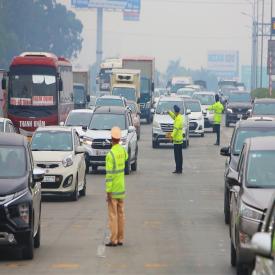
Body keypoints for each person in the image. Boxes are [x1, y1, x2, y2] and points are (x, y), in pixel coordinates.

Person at [105, 127, 128, 247]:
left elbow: (109, 175)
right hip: (121, 188)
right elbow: (126, 158)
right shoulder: (122, 151)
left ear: (111, 139)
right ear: (119, 139)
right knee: (120, 214)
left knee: (113, 215)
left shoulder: (110, 155)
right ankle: (120, 238)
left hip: (113, 189)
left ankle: (113, 239)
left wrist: (108, 191)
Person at [168, 105, 184, 174]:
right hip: (179, 140)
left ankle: (178, 169)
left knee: (177, 157)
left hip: (177, 140)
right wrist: (169, 112)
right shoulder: (179, 117)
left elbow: (175, 129)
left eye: (174, 111)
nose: (174, 113)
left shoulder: (178, 119)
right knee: (179, 156)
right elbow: (173, 117)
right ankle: (179, 169)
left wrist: (171, 136)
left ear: (176, 112)